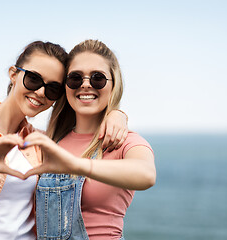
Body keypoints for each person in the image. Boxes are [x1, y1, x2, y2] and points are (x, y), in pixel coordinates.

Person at [0, 41, 129, 240]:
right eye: (33, 79)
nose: (39, 92)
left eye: (52, 89)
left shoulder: (41, 142)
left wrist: (116, 114)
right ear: (13, 74)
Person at [21, 39, 156, 239]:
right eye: (75, 78)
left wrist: (76, 165)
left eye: (97, 78)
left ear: (114, 84)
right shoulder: (48, 141)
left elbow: (146, 175)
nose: (85, 84)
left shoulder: (123, 141)